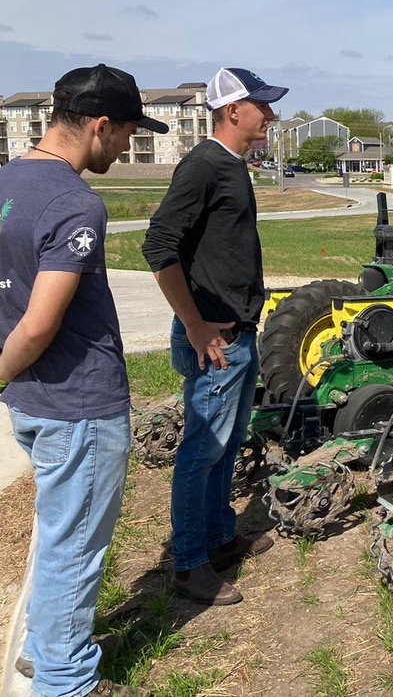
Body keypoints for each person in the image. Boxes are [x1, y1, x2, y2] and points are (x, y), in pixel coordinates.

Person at [0, 64, 166, 697]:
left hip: (34, 402)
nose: (124, 147)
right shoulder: (76, 204)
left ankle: (46, 653)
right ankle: (64, 680)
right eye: (124, 133)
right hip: (80, 407)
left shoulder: (8, 180)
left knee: (59, 534)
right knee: (74, 549)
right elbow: (40, 325)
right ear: (99, 125)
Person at [142, 67, 286, 606]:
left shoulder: (232, 166)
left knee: (227, 442)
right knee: (203, 449)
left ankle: (220, 536)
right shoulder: (203, 164)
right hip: (216, 338)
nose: (270, 115)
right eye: (262, 107)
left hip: (238, 330)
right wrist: (196, 325)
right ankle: (190, 564)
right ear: (233, 111)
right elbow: (160, 246)